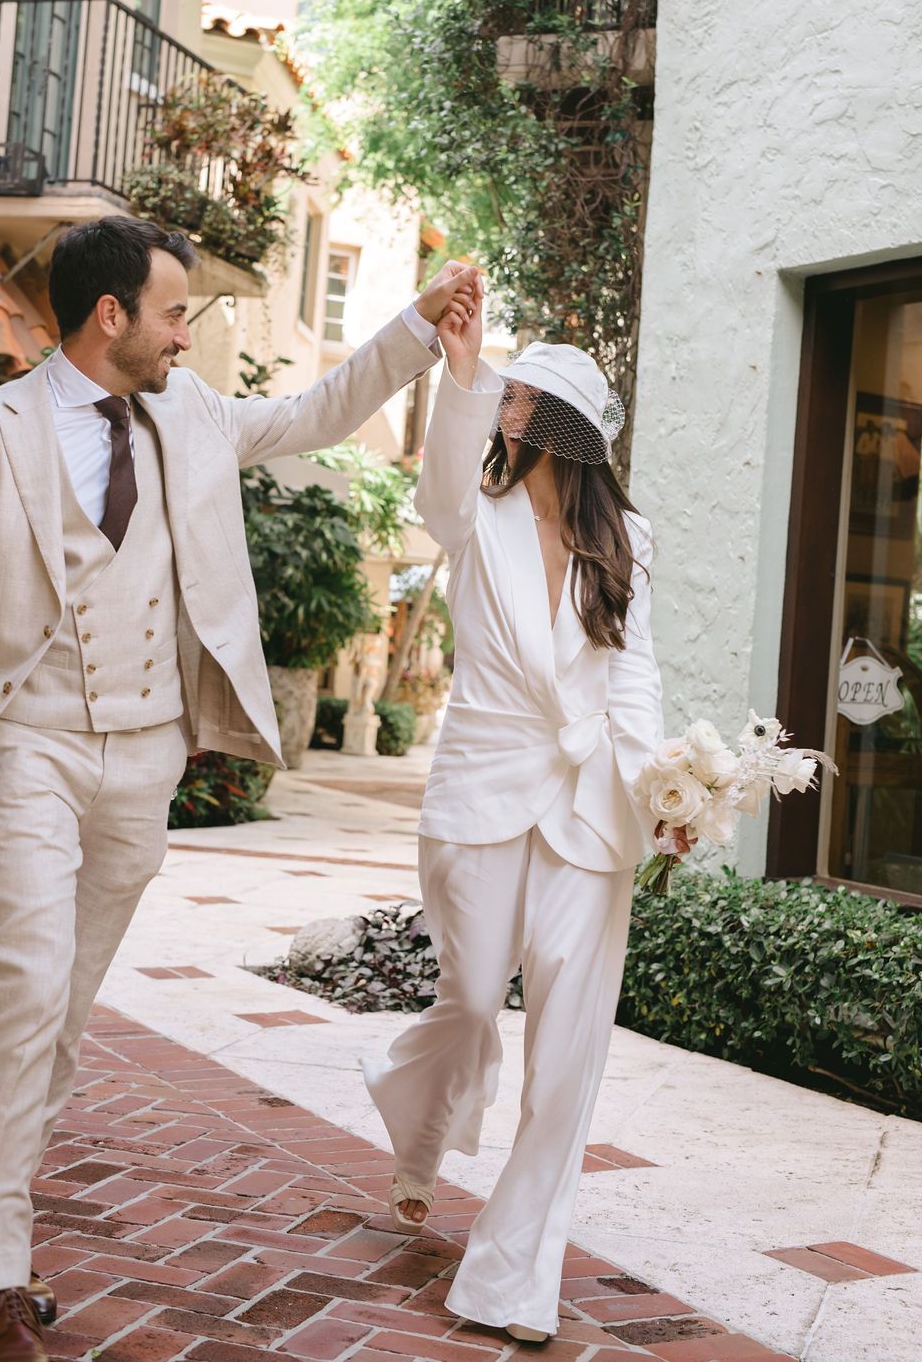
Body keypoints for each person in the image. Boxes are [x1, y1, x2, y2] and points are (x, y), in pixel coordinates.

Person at [0, 215, 475, 1362]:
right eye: (173, 313)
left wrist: (417, 325)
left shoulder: (193, 417)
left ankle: (2, 1241)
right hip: (26, 742)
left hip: (145, 754)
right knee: (24, 990)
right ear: (109, 314)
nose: (185, 337)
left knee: (62, 1015)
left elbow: (319, 408)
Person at [362, 275, 691, 1343]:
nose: (505, 408)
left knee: (566, 1058)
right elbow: (438, 487)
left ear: (563, 425)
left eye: (520, 398)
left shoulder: (628, 542)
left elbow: (632, 683)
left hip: (591, 815)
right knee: (465, 1004)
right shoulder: (477, 512)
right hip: (481, 790)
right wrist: (460, 373)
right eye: (502, 396)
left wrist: (665, 796)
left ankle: (510, 1281)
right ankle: (418, 1141)